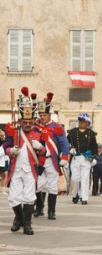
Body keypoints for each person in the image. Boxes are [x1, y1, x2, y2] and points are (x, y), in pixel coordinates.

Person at [4, 87, 47, 235]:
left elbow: (44, 152)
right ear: (21, 121)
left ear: (33, 121)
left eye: (30, 122)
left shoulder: (39, 133)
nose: (27, 124)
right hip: (16, 169)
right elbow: (6, 148)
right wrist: (11, 151)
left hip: (31, 169)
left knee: (29, 197)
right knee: (14, 198)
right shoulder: (13, 132)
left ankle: (26, 224)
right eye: (25, 121)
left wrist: (40, 147)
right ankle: (19, 218)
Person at [34, 92, 69, 220]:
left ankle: (51, 211)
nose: (42, 117)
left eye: (44, 115)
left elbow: (64, 143)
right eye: (41, 115)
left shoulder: (56, 127)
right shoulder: (35, 127)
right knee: (38, 185)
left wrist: (64, 157)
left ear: (49, 115)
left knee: (52, 186)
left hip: (52, 160)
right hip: (39, 160)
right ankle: (39, 208)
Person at [67, 113, 98, 205]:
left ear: (87, 123)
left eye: (83, 121)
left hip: (86, 158)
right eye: (80, 120)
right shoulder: (72, 132)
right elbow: (65, 143)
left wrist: (95, 158)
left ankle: (84, 198)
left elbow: (94, 147)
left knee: (85, 178)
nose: (81, 122)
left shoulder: (91, 134)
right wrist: (70, 149)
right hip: (75, 158)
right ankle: (75, 194)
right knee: (75, 179)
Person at [0, 129, 9, 196]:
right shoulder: (2, 142)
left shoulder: (5, 141)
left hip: (5, 160)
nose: (3, 136)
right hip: (1, 160)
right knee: (3, 175)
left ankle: (2, 188)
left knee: (5, 174)